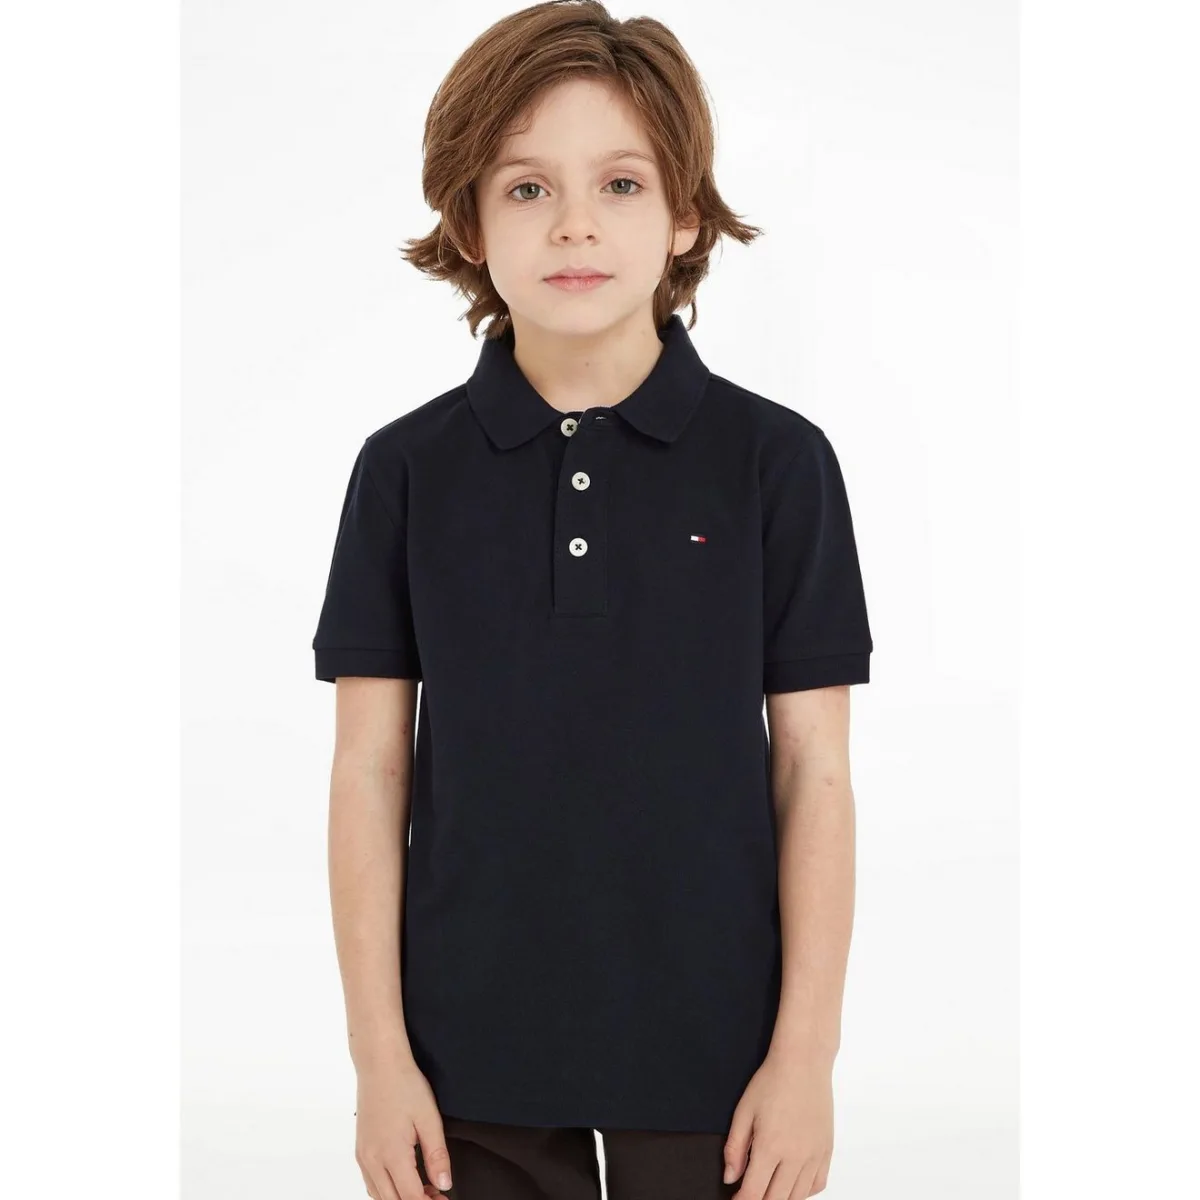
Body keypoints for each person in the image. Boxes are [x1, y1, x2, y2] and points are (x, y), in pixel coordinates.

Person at [312, 2, 874, 1197]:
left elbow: (813, 771)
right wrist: (378, 1060)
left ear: (685, 215)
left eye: (621, 184)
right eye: (527, 188)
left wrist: (807, 1059)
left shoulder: (778, 464)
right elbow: (368, 771)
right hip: (463, 1060)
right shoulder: (404, 471)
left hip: (723, 1059)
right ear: (470, 222)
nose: (574, 223)